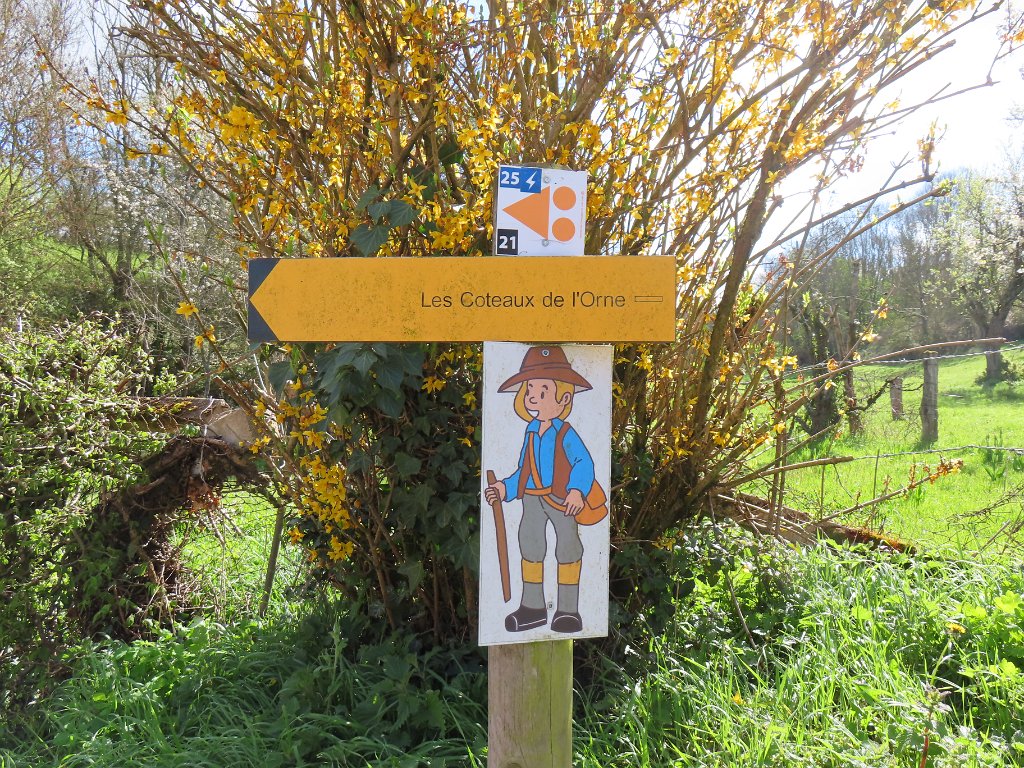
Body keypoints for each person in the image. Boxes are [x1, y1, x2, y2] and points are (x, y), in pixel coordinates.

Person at [484, 345, 599, 633]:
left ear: (564, 398)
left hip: (562, 500)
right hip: (532, 499)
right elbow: (524, 470)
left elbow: (584, 462)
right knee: (530, 544)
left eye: (543, 390)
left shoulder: (565, 432)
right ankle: (532, 608)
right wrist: (504, 488)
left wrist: (577, 491)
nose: (533, 395)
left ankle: (568, 611)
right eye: (530, 389)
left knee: (568, 547)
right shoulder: (531, 431)